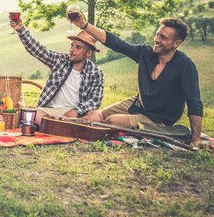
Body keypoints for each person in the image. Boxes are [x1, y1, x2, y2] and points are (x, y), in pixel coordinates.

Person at [70, 14, 203, 147]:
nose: (156, 39)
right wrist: (83, 24)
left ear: (177, 43)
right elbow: (116, 43)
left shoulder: (185, 66)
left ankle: (161, 130)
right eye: (157, 34)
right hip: (138, 104)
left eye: (163, 37)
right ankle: (67, 126)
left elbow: (194, 101)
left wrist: (196, 138)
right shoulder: (145, 53)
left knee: (111, 121)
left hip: (158, 119)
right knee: (96, 116)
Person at [9, 14, 104, 126]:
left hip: (76, 113)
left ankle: (58, 125)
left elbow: (95, 100)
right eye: (71, 45)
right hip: (51, 111)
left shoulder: (96, 72)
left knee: (97, 116)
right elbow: (38, 50)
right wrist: (21, 30)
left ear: (88, 53)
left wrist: (76, 111)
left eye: (78, 47)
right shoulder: (60, 60)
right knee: (35, 115)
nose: (72, 50)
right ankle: (68, 125)